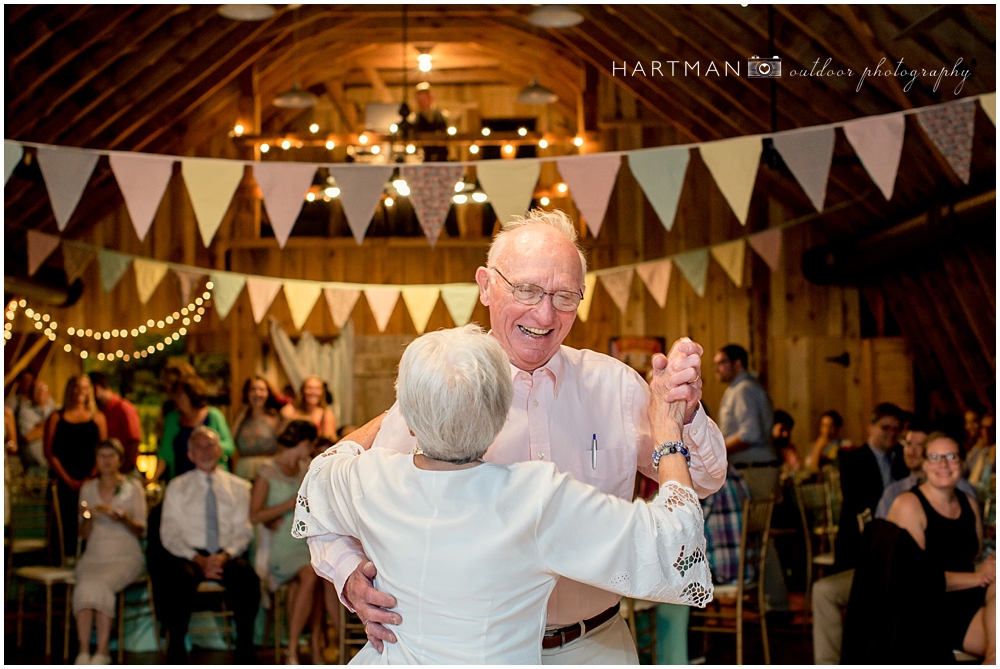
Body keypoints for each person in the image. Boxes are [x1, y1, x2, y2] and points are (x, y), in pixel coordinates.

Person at [324, 209, 726, 663]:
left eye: (564, 296)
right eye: (527, 290)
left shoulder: (615, 385)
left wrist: (685, 418)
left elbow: (706, 481)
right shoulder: (444, 389)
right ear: (486, 285)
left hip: (594, 645)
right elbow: (333, 501)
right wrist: (346, 572)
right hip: (468, 655)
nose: (545, 313)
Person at [295, 324, 713, 664]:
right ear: (499, 421)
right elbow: (675, 544)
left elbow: (320, 472)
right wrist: (668, 432)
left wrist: (414, 407)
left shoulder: (370, 476)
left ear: (407, 420)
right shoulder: (534, 496)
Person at [813, 419, 976, 664]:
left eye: (950, 456)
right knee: (824, 591)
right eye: (908, 444)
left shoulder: (960, 494)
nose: (911, 450)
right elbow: (885, 549)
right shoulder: (899, 490)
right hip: (887, 575)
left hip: (915, 582)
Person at [887, 432, 996, 663]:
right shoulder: (909, 504)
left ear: (962, 463)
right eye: (935, 456)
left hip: (968, 598)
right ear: (924, 464)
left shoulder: (969, 502)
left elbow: (974, 556)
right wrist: (977, 578)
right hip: (929, 609)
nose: (944, 464)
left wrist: (988, 568)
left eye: (951, 456)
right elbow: (917, 581)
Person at [158, 426, 259, 664]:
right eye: (199, 447)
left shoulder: (239, 486)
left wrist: (224, 556)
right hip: (190, 555)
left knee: (247, 578)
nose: (205, 451)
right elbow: (170, 533)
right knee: (178, 579)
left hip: (226, 554)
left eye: (210, 445)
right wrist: (197, 559)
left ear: (220, 451)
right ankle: (176, 650)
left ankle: (244, 650)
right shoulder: (177, 486)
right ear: (190, 454)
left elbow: (243, 530)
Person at [250, 419, 324, 664]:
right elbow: (254, 514)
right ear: (303, 443)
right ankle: (294, 648)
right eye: (310, 444)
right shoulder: (267, 470)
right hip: (279, 545)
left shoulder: (306, 468)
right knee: (310, 575)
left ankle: (312, 645)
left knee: (317, 578)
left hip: (304, 542)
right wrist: (286, 506)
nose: (311, 449)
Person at [72, 439, 147, 665]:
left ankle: (103, 650)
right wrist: (87, 516)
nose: (106, 461)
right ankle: (84, 650)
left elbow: (141, 530)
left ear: (120, 460)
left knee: (102, 584)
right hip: (95, 552)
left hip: (125, 552)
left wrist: (125, 520)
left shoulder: (133, 487)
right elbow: (84, 534)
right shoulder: (87, 488)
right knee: (85, 584)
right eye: (101, 456)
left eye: (110, 456)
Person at [835, 402, 909, 572]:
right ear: (871, 428)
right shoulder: (853, 460)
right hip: (861, 537)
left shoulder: (903, 457)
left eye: (896, 429)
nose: (891, 433)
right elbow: (857, 502)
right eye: (885, 427)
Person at [44, 375, 107, 557]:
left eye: (85, 387)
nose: (80, 391)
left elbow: (103, 451)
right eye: (76, 387)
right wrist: (67, 479)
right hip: (63, 482)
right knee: (63, 528)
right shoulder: (56, 417)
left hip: (90, 480)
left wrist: (89, 478)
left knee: (90, 525)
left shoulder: (98, 418)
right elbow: (50, 452)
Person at [711, 344, 777, 498]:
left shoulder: (744, 389)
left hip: (755, 471)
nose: (716, 369)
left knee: (751, 521)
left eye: (721, 363)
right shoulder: (738, 389)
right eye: (715, 364)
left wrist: (718, 451)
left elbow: (750, 435)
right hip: (751, 469)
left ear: (738, 363)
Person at [156, 374, 234, 481]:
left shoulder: (214, 415)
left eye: (181, 394)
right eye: (175, 394)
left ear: (192, 394)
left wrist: (207, 449)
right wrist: (152, 478)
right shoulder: (172, 419)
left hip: (213, 478)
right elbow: (165, 454)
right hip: (182, 481)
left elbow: (229, 447)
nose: (177, 398)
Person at [89, 372, 142, 475]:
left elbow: (134, 440)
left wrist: (123, 470)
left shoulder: (123, 407)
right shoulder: (99, 411)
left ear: (96, 388)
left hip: (125, 471)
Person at [231, 375, 283, 480]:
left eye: (262, 390)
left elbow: (282, 446)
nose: (257, 393)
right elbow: (230, 439)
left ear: (268, 393)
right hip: (244, 469)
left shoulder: (274, 417)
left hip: (268, 469)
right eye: (253, 389)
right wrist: (240, 416)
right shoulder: (241, 417)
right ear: (247, 393)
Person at [16, 379, 55, 472]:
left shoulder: (56, 409)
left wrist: (40, 426)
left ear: (48, 392)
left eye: (44, 388)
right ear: (31, 393)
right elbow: (28, 436)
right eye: (37, 389)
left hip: (54, 466)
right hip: (34, 468)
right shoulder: (24, 411)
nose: (41, 392)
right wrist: (50, 424)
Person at [773, 409, 800, 483]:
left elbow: (796, 471)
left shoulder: (788, 449)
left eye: (788, 430)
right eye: (782, 429)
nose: (786, 434)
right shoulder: (765, 450)